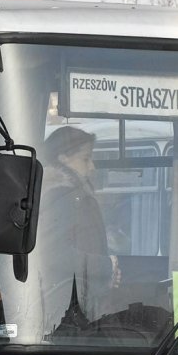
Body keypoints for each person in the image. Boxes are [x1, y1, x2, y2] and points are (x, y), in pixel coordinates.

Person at [34, 126, 118, 323]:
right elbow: (52, 253)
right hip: (66, 306)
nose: (92, 167)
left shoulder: (74, 194)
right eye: (85, 159)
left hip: (76, 300)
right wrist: (106, 266)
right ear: (63, 158)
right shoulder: (61, 195)